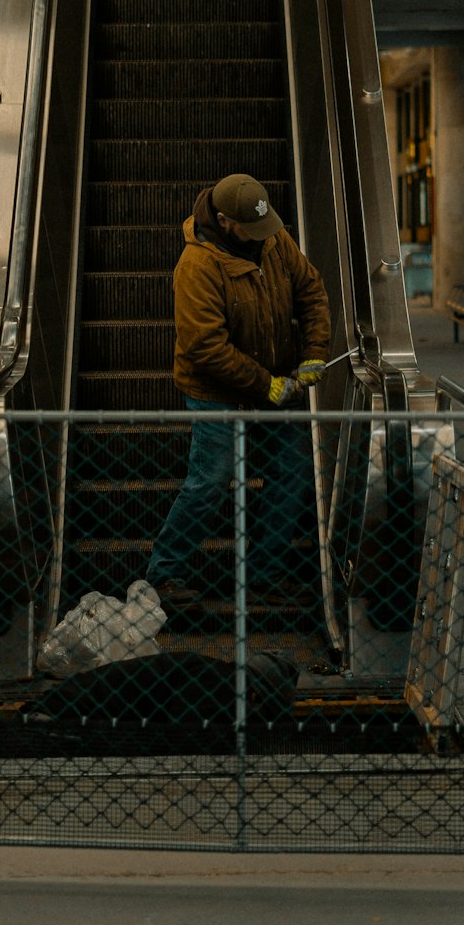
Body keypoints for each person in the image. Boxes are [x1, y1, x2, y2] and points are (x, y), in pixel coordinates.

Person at [146, 173, 332, 607]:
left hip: (276, 380)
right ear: (226, 221)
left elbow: (311, 291)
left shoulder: (273, 241)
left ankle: (263, 577)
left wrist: (314, 352)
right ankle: (164, 576)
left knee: (292, 470)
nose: (266, 237)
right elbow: (204, 346)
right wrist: (265, 385)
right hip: (217, 390)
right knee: (211, 480)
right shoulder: (197, 266)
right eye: (254, 229)